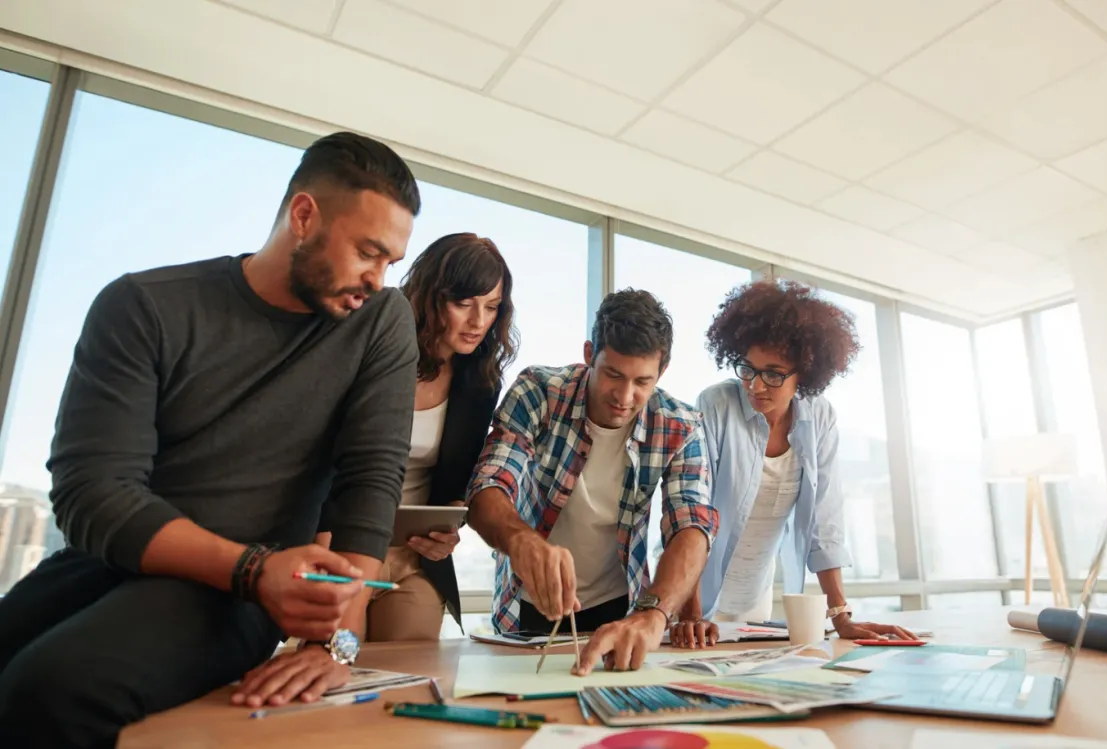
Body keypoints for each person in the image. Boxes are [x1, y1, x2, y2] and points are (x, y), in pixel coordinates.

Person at [0, 131, 422, 748]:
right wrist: (253, 569)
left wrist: (332, 641)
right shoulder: (142, 306)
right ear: (304, 215)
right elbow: (92, 493)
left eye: (390, 262)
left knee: (52, 690)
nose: (378, 279)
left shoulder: (380, 321)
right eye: (368, 251)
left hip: (242, 595)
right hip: (131, 561)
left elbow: (369, 478)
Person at [466, 289, 719, 676]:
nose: (624, 395)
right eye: (613, 375)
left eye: (642, 382)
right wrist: (522, 541)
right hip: (527, 605)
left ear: (661, 372)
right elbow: (488, 485)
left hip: (621, 609)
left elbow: (692, 526)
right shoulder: (539, 392)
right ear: (589, 354)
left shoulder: (681, 425)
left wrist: (654, 615)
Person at [670, 280, 915, 649]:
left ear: (806, 371)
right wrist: (690, 615)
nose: (755, 386)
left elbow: (824, 518)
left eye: (773, 373)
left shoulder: (820, 418)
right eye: (747, 369)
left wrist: (841, 616)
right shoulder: (716, 405)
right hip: (692, 596)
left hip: (754, 599)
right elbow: (693, 510)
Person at [318, 232, 516, 641]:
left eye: (491, 307)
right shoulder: (372, 351)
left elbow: (457, 480)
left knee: (408, 679)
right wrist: (319, 543)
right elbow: (319, 455)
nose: (479, 321)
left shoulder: (479, 383)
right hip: (338, 544)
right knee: (335, 674)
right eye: (463, 304)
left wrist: (448, 529)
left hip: (415, 557)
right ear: (430, 297)